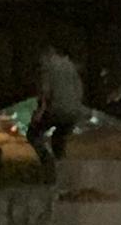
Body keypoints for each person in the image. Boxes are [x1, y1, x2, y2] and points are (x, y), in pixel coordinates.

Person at [28, 45, 85, 180]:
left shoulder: (46, 66)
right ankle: (62, 170)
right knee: (59, 139)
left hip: (56, 109)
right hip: (73, 111)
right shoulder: (71, 66)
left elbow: (45, 91)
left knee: (33, 134)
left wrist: (39, 112)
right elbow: (80, 90)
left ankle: (48, 164)